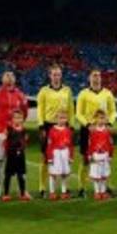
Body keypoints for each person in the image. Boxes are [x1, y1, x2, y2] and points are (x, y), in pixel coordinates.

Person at [76, 69, 117, 197]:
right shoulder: (83, 94)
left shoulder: (107, 94)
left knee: (104, 158)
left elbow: (113, 111)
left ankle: (105, 187)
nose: (96, 78)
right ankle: (81, 187)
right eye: (94, 75)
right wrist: (88, 125)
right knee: (85, 159)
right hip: (88, 129)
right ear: (89, 78)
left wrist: (109, 123)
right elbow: (79, 113)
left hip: (103, 130)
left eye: (98, 75)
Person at [0, 70, 28, 199]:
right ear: (2, 79)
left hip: (16, 135)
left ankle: (21, 190)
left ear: (15, 79)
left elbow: (25, 112)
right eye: (7, 76)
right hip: (1, 133)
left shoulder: (20, 95)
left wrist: (17, 126)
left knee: (18, 163)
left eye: (12, 76)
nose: (9, 78)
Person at [34, 64, 71, 199]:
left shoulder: (67, 90)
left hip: (63, 126)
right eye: (54, 74)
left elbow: (70, 109)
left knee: (63, 158)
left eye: (58, 74)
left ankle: (63, 189)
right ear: (50, 76)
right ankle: (43, 187)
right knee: (46, 158)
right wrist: (41, 126)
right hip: (49, 126)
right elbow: (40, 109)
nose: (56, 77)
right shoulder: (44, 91)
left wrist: (70, 125)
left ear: (61, 76)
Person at [46, 109, 74, 200]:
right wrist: (50, 157)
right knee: (53, 174)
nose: (62, 120)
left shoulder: (68, 130)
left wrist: (71, 156)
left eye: (64, 118)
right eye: (60, 118)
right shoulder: (52, 130)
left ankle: (64, 192)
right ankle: (52, 192)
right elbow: (49, 144)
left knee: (64, 174)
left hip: (65, 153)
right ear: (56, 119)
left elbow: (70, 145)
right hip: (56, 154)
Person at [2, 110, 31, 201]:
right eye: (15, 118)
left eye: (19, 118)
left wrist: (22, 147)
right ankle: (6, 194)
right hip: (11, 154)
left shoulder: (24, 130)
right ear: (12, 119)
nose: (17, 120)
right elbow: (4, 140)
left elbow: (25, 142)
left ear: (23, 119)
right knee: (8, 175)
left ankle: (22, 193)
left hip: (20, 155)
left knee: (21, 175)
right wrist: (6, 150)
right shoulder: (9, 129)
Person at [87, 110, 115, 200]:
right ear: (95, 119)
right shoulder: (93, 131)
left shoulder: (107, 131)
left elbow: (110, 144)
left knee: (103, 175)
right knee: (96, 175)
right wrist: (90, 155)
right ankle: (97, 192)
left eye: (103, 118)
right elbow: (90, 144)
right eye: (100, 118)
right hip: (96, 155)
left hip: (105, 155)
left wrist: (110, 155)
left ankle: (103, 191)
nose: (101, 120)